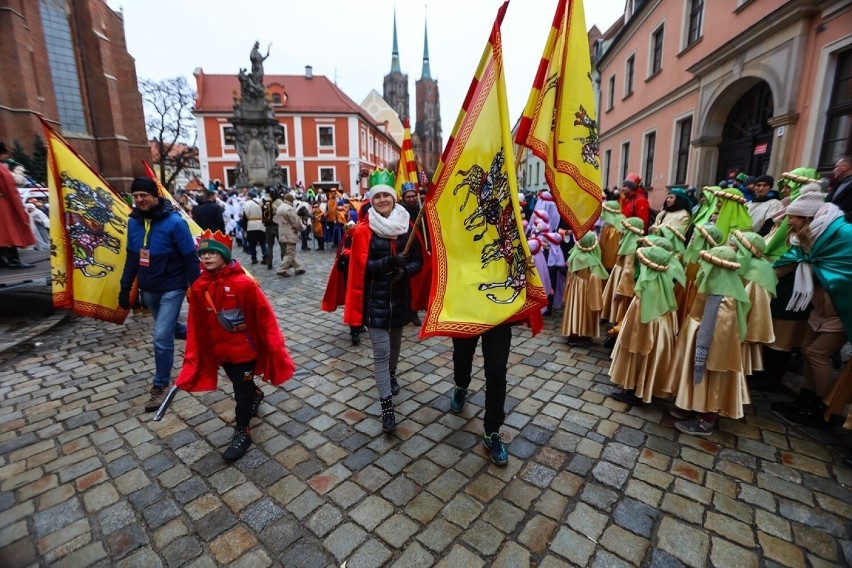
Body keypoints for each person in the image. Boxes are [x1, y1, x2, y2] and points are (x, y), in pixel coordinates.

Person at [176, 230, 295, 460]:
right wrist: (197, 353)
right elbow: (196, 323)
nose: (207, 257)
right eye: (203, 253)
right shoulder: (199, 287)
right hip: (222, 352)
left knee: (240, 394)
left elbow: (264, 316)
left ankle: (242, 430)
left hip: (245, 351)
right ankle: (256, 392)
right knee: (241, 385)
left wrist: (273, 344)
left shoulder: (244, 284)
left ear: (224, 254)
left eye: (212, 252)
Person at [343, 171, 422, 432]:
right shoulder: (364, 231)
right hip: (374, 302)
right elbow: (361, 267)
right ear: (372, 200)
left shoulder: (406, 226)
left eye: (387, 195)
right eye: (378, 197)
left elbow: (418, 261)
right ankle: (387, 408)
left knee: (395, 347)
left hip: (399, 299)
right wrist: (390, 262)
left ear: (394, 198)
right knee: (381, 352)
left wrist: (405, 270)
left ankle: (392, 374)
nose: (383, 200)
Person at [119, 177, 200, 411]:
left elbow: (190, 259)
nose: (139, 199)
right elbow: (132, 257)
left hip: (173, 287)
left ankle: (161, 384)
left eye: (143, 195)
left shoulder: (175, 222)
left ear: (155, 195)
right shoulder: (133, 223)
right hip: (149, 289)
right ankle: (204, 337)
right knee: (173, 330)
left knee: (161, 336)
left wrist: (196, 288)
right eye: (135, 196)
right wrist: (126, 287)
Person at [772, 191, 852, 425]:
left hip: (841, 309)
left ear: (807, 217)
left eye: (793, 217)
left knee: (818, 354)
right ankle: (805, 401)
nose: (789, 222)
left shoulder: (843, 234)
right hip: (818, 308)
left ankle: (823, 408)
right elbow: (783, 265)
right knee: (807, 351)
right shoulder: (809, 238)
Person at [668, 246, 752, 436]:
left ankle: (706, 419)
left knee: (712, 379)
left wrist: (703, 352)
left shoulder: (724, 300)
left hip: (713, 352)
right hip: (699, 337)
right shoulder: (713, 285)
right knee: (698, 378)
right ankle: (694, 405)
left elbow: (721, 339)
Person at [610, 245, 682, 404]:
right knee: (651, 356)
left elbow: (639, 327)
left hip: (647, 329)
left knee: (640, 354)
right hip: (660, 329)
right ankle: (645, 386)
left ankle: (636, 388)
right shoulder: (664, 283)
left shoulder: (648, 288)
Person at [561, 232, 607, 345]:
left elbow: (569, 274)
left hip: (575, 289)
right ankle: (583, 333)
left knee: (575, 308)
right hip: (587, 290)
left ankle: (574, 333)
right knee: (585, 310)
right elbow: (595, 281)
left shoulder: (575, 256)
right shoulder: (593, 261)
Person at [0, 141, 36, 268]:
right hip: (3, 204)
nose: (6, 157)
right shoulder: (2, 170)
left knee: (2, 233)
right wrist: (18, 205)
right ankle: (13, 261)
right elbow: (10, 186)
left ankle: (3, 260)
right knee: (9, 231)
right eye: (4, 154)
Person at [274, 193, 305, 277]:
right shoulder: (289, 208)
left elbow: (277, 221)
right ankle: (282, 269)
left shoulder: (279, 207)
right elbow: (295, 222)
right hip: (290, 233)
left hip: (282, 232)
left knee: (290, 252)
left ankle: (298, 268)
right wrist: (302, 228)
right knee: (290, 253)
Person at [242, 189, 268, 265]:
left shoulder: (247, 204)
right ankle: (265, 257)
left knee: (252, 243)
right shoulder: (261, 201)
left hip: (251, 226)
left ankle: (254, 258)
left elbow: (245, 217)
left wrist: (245, 228)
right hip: (261, 225)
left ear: (250, 196)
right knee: (262, 242)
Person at [261, 188, 283, 269]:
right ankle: (284, 262)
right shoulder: (279, 202)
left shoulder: (266, 201)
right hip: (277, 225)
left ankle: (269, 263)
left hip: (268, 225)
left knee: (269, 246)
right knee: (282, 244)